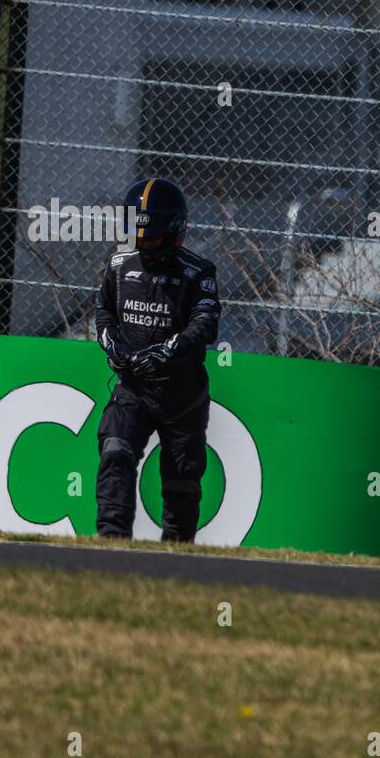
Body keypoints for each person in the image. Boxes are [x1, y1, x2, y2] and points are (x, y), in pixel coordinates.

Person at [95, 177, 222, 542]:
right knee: (115, 451)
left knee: (181, 480)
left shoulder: (199, 273)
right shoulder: (119, 265)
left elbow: (206, 323)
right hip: (133, 389)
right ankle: (110, 543)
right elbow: (103, 311)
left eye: (151, 238)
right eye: (137, 236)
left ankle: (176, 558)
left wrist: (168, 352)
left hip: (182, 396)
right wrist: (111, 345)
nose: (143, 244)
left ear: (176, 233)